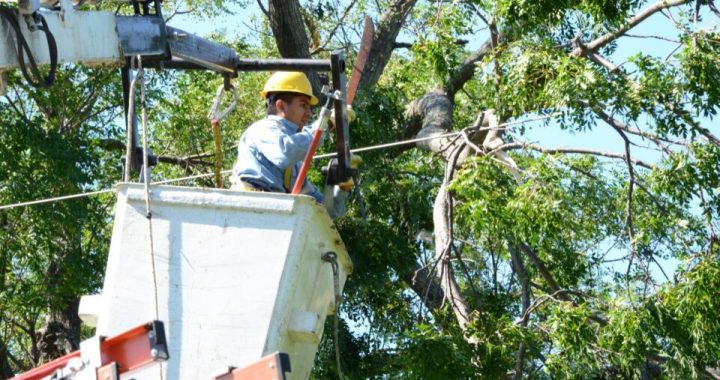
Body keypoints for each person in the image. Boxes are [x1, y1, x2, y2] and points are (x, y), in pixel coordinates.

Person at [230, 71, 354, 218]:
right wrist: (326, 123)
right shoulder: (262, 129)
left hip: (274, 217)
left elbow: (327, 212)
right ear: (281, 106)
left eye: (309, 107)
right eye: (303, 105)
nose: (309, 113)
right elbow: (284, 152)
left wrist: (342, 186)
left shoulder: (295, 162)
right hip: (249, 212)